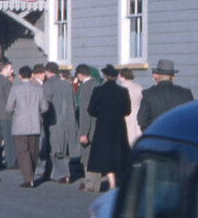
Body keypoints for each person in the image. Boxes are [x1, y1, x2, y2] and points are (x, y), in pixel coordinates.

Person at [87, 65, 132, 190]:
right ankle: (115, 180)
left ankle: (111, 181)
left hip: (103, 125)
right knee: (118, 153)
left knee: (104, 153)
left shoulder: (98, 90)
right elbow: (127, 111)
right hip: (118, 126)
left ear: (105, 76)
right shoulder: (123, 91)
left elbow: (91, 110)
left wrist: (100, 114)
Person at [6, 65, 48, 188]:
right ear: (31, 76)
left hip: (20, 125)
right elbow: (45, 107)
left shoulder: (15, 89)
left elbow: (9, 107)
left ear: (19, 76)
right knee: (34, 151)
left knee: (23, 151)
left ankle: (28, 178)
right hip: (35, 123)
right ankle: (32, 174)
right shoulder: (39, 89)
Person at [41, 61, 79, 184]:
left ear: (47, 72)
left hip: (53, 120)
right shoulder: (67, 85)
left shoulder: (48, 85)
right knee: (62, 147)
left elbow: (45, 105)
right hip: (68, 119)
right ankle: (51, 172)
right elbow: (74, 104)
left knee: (55, 149)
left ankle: (64, 174)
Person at [137, 59, 194, 131]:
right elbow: (191, 117)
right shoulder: (185, 93)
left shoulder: (148, 94)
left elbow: (142, 119)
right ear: (173, 77)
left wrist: (150, 133)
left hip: (157, 136)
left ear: (157, 76)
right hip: (178, 136)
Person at [75, 63, 100, 192]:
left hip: (89, 126)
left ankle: (89, 183)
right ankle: (96, 182)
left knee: (87, 155)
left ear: (79, 75)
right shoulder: (97, 85)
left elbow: (85, 112)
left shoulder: (85, 88)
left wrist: (84, 132)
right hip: (98, 124)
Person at [117, 68, 144, 145]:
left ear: (122, 76)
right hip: (137, 116)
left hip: (124, 117)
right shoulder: (139, 87)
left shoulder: (120, 89)